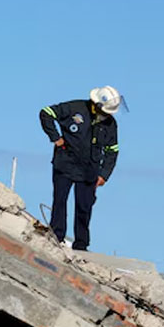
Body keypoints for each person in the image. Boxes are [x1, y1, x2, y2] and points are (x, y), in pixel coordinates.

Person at [39, 86, 124, 251]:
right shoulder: (75, 108)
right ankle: (56, 236)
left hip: (89, 170)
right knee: (60, 201)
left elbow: (112, 151)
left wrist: (104, 174)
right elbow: (46, 113)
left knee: (85, 207)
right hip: (65, 164)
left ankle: (81, 244)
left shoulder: (110, 124)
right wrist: (55, 138)